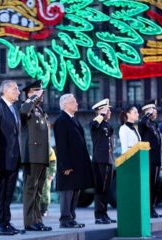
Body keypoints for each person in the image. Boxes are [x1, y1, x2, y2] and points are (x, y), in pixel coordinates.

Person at [53, 94, 94, 228]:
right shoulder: (61, 121)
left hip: (77, 164)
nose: (77, 104)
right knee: (67, 192)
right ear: (65, 105)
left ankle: (71, 217)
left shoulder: (73, 119)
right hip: (68, 164)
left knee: (75, 191)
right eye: (73, 102)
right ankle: (65, 219)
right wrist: (65, 165)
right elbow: (61, 145)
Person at [0, 80, 22, 235]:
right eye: (15, 89)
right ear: (6, 91)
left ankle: (6, 222)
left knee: (8, 193)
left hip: (14, 157)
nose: (19, 92)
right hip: (1, 159)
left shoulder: (14, 108)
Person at [20, 80, 52, 232]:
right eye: (37, 90)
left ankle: (37, 220)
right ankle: (29, 222)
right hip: (32, 155)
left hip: (42, 155)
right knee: (30, 189)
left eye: (41, 91)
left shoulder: (39, 110)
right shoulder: (27, 106)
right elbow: (24, 111)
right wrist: (32, 98)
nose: (42, 93)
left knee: (39, 190)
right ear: (29, 93)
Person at [90, 98, 116, 224]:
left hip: (109, 160)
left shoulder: (107, 125)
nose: (109, 112)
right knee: (100, 189)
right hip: (100, 160)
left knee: (106, 189)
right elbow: (94, 125)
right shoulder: (96, 124)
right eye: (107, 110)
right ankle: (99, 215)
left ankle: (104, 213)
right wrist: (101, 115)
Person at [138, 100, 162, 218]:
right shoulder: (144, 124)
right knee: (149, 185)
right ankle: (149, 209)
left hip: (157, 159)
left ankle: (153, 209)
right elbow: (143, 123)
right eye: (153, 110)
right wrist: (148, 114)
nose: (156, 112)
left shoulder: (154, 124)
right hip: (149, 159)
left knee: (155, 185)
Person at [40, 147, 57, 217]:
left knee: (45, 192)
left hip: (46, 175)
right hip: (38, 173)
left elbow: (53, 162)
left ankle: (44, 209)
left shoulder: (50, 150)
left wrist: (52, 174)